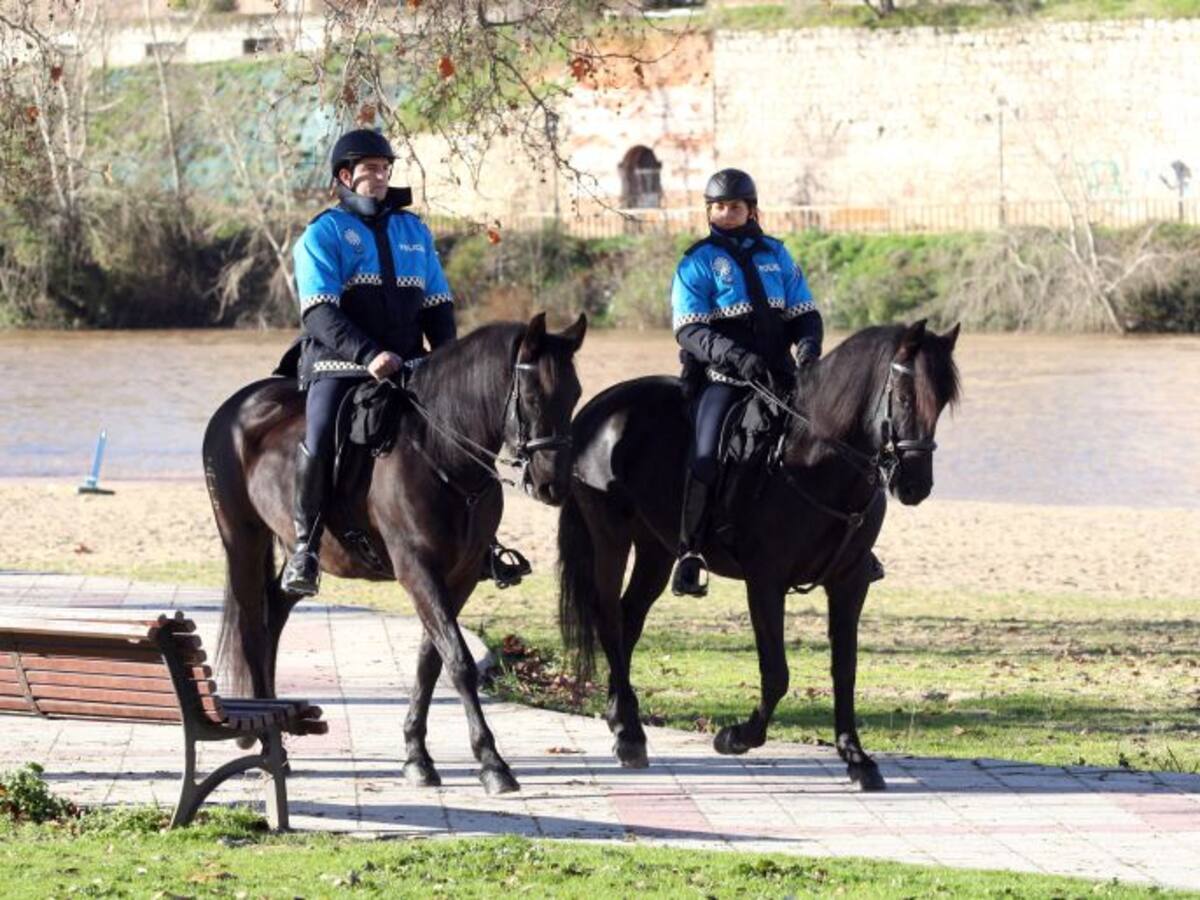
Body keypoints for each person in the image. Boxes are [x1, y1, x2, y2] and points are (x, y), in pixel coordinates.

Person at [669, 168, 824, 597]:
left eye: (734, 206)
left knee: (835, 436)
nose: (726, 213)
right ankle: (690, 552)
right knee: (706, 456)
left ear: (751, 209)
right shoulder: (696, 261)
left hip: (782, 378)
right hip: (724, 379)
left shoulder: (777, 254)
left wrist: (808, 348)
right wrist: (737, 357)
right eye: (718, 207)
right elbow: (690, 330)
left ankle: (849, 546)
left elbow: (804, 312)